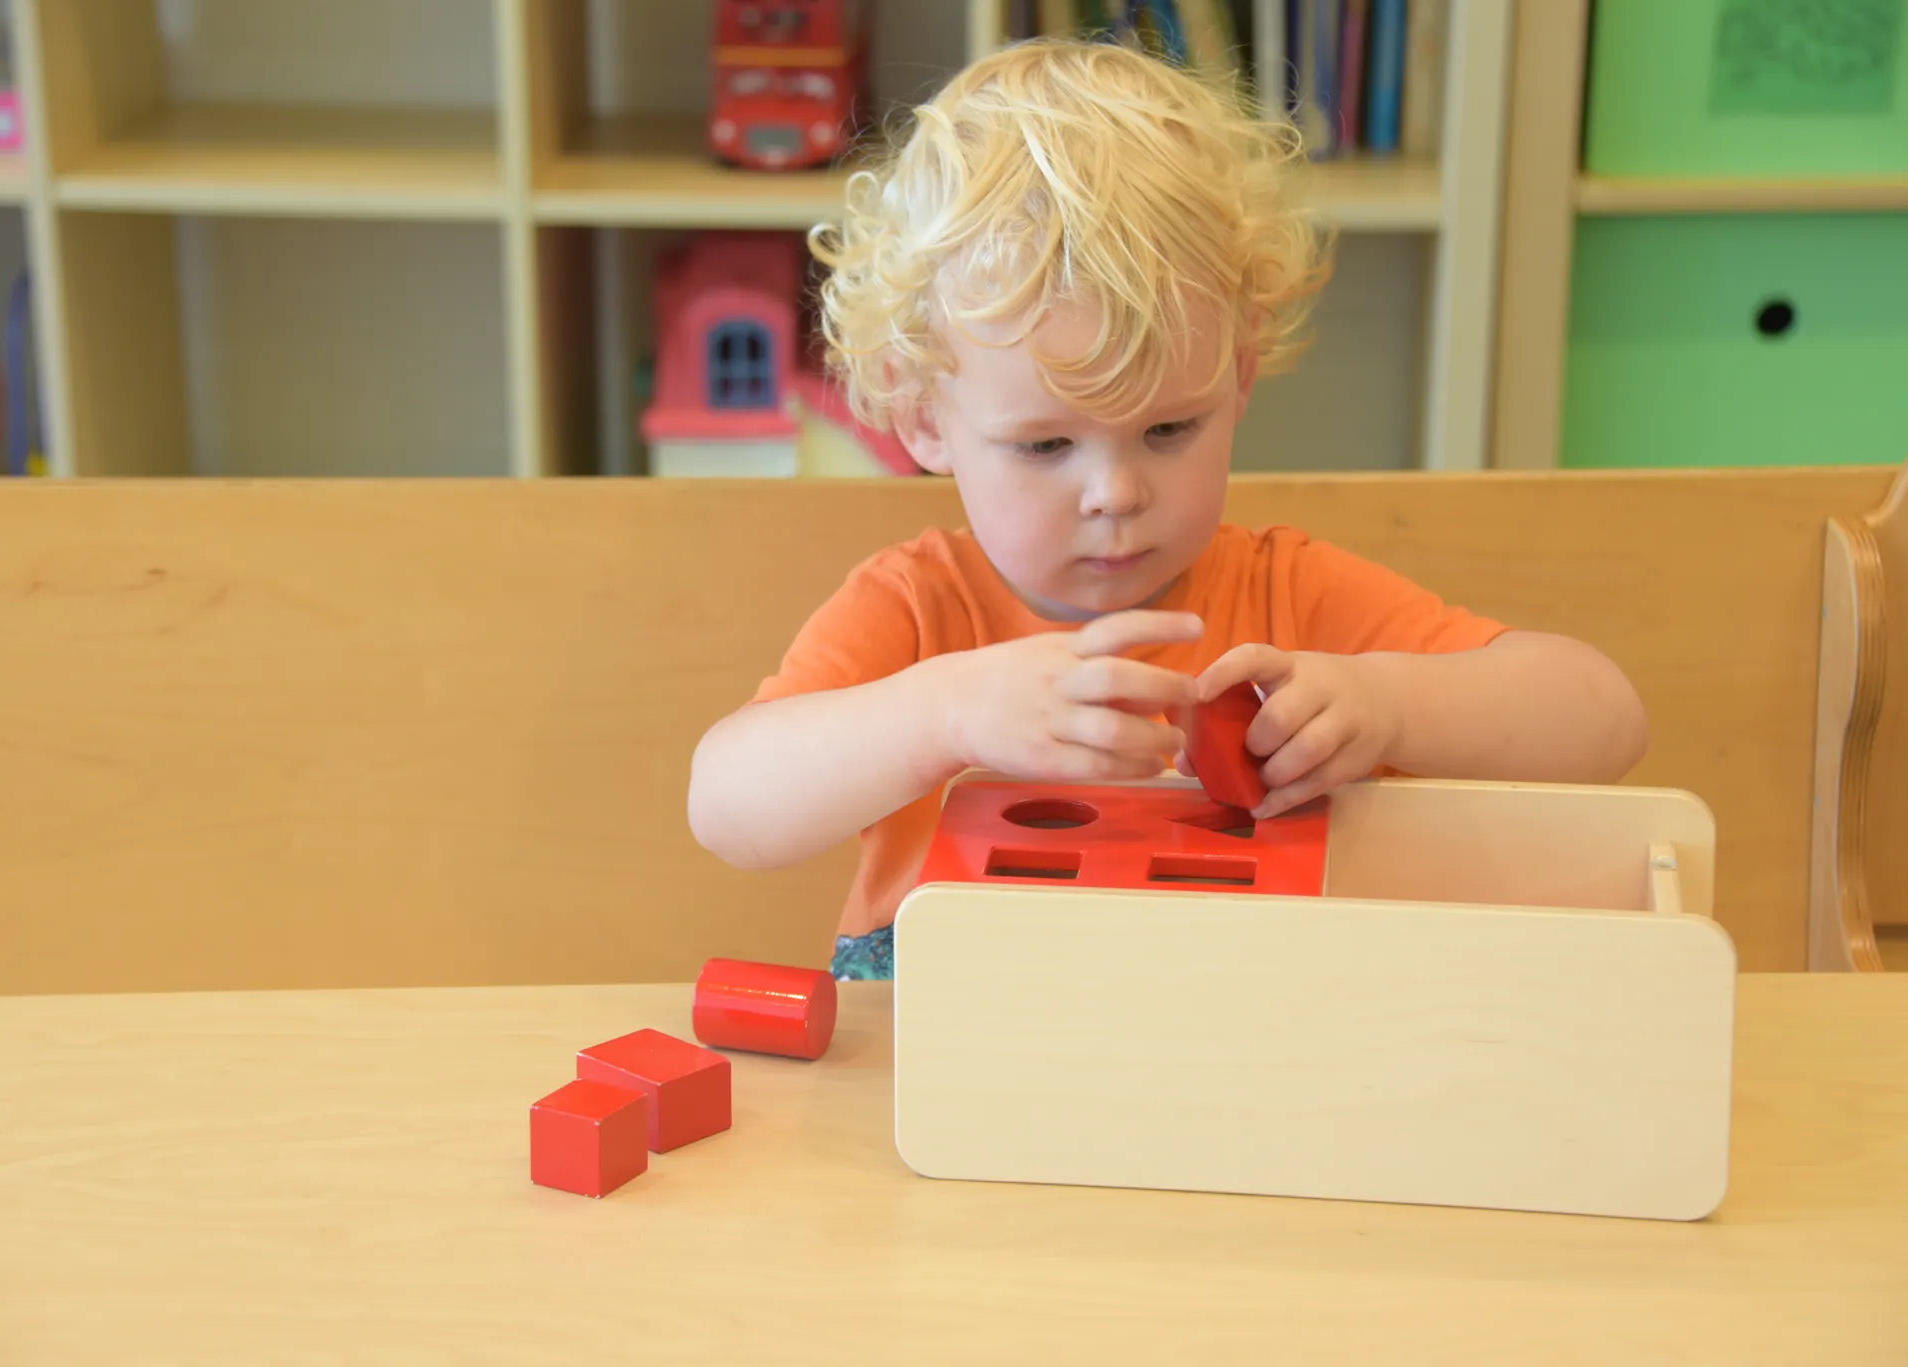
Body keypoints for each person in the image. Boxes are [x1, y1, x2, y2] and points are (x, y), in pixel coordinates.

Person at [687, 37, 1648, 980]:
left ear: (1236, 376)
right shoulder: (918, 610)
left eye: (1168, 430)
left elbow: (1603, 719)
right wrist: (944, 714)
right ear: (921, 415)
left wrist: (1393, 707)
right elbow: (728, 807)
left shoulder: (1288, 598)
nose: (1116, 493)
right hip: (946, 1063)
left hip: (1224, 1058)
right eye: (1046, 445)